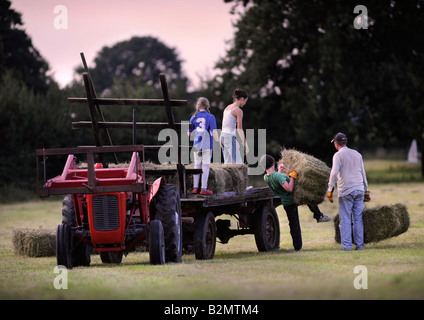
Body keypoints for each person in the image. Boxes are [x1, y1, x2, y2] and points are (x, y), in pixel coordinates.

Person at [327, 132, 370, 251]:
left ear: (336, 144)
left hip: (346, 191)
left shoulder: (338, 155)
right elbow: (363, 173)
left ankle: (346, 247)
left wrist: (330, 190)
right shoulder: (357, 154)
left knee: (345, 219)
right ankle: (360, 246)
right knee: (358, 219)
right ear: (345, 142)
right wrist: (366, 191)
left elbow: (334, 173)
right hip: (359, 189)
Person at [261, 154, 302, 251]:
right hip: (290, 201)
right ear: (273, 164)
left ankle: (297, 246)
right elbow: (289, 188)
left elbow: (276, 178)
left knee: (292, 223)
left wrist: (279, 170)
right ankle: (297, 246)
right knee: (294, 224)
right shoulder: (277, 176)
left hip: (285, 203)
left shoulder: (266, 177)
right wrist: (292, 176)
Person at [188, 97, 218, 195]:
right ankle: (203, 188)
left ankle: (195, 188)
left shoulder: (193, 117)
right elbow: (214, 132)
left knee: (197, 165)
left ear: (198, 106)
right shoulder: (211, 117)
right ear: (207, 106)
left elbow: (188, 134)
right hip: (207, 144)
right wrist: (217, 140)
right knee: (205, 166)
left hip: (197, 144)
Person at [220, 88, 249, 164]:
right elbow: (239, 128)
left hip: (222, 137)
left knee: (228, 164)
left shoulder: (227, 107)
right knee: (238, 164)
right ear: (242, 99)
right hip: (229, 137)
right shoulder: (238, 111)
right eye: (245, 101)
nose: (245, 103)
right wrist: (244, 142)